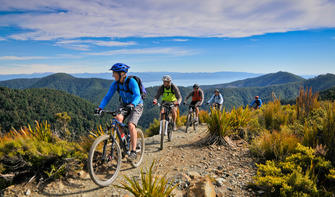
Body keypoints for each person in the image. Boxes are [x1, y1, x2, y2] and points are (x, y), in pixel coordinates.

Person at [95, 63, 143, 161]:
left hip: (136, 104)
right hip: (124, 104)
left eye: (114, 73)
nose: (113, 75)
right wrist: (100, 108)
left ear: (122, 73)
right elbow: (107, 96)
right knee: (117, 119)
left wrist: (132, 104)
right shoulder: (115, 84)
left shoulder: (131, 81)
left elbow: (138, 95)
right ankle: (124, 142)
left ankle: (133, 151)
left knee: (131, 125)